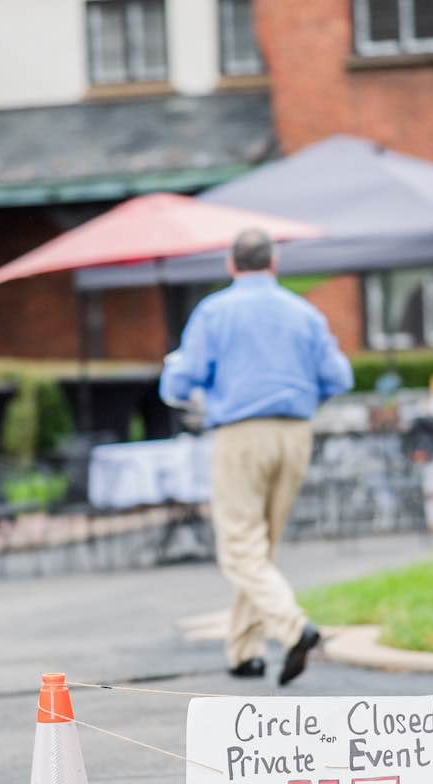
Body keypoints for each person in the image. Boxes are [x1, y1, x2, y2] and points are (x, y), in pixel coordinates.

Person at [162, 229, 353, 686]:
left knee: (239, 549)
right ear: (274, 262)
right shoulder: (304, 313)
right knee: (260, 546)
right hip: (295, 433)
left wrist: (180, 382)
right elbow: (339, 376)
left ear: (231, 265)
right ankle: (244, 652)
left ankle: (293, 628)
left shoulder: (214, 312)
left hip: (241, 433)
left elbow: (180, 383)